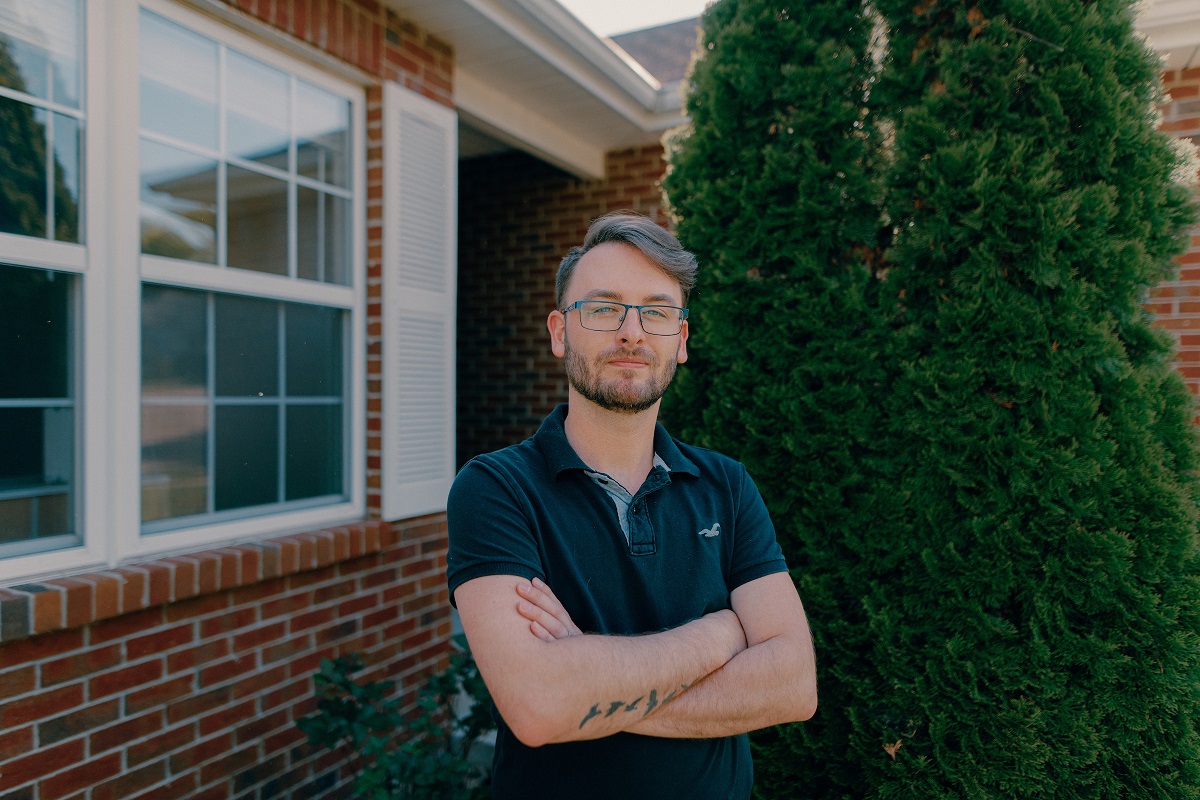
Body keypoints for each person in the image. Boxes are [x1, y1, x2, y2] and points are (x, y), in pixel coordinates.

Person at [446, 211, 817, 800]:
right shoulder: (496, 488)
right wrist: (719, 637)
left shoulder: (728, 485)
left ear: (682, 339)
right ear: (559, 331)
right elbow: (539, 707)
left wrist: (587, 690)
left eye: (657, 311)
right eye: (603, 308)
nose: (632, 332)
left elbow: (794, 685)